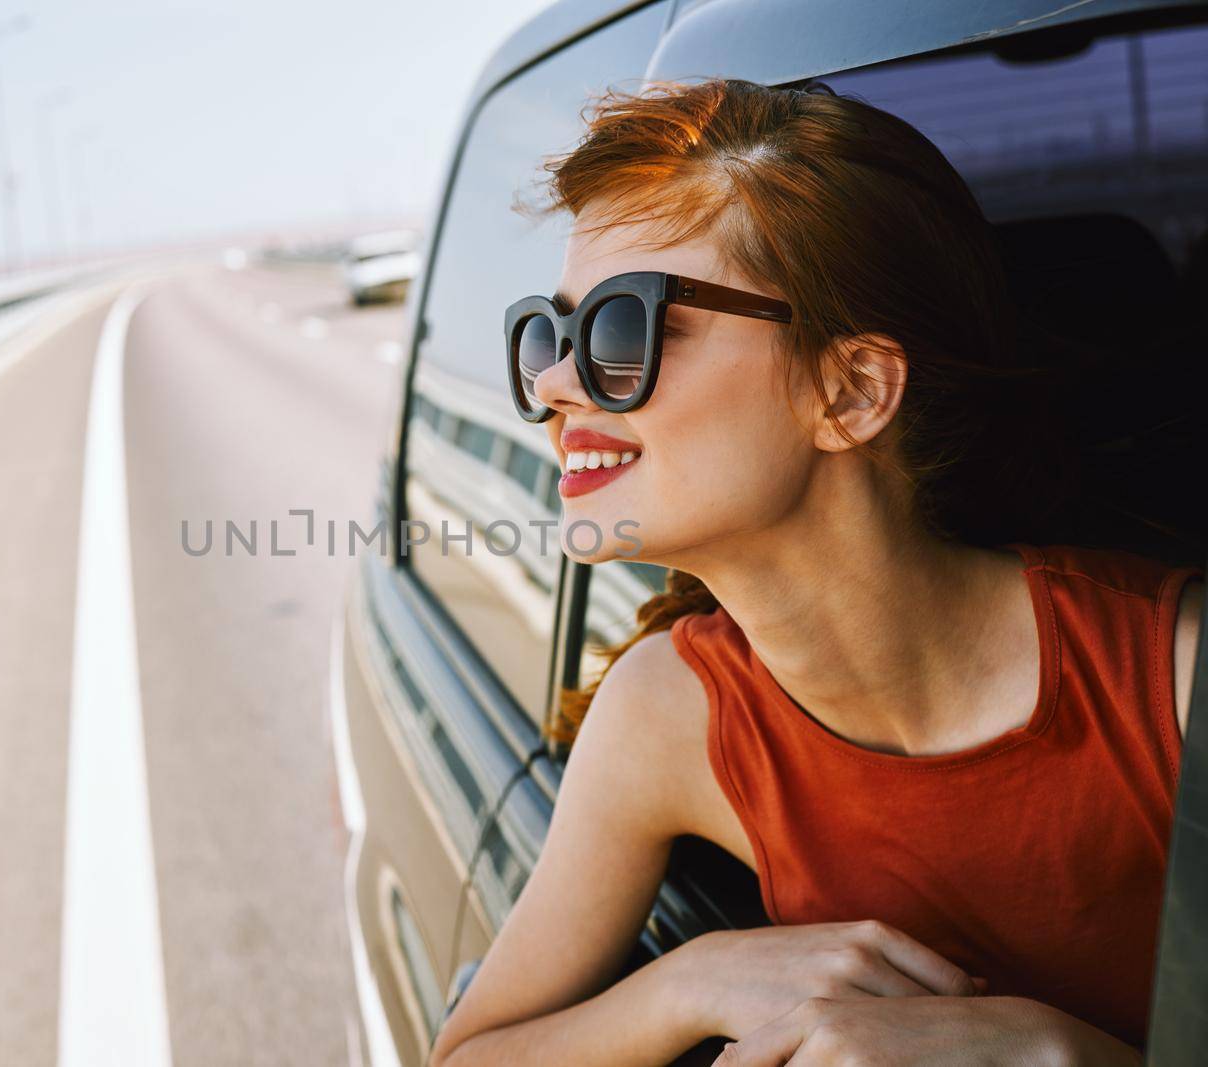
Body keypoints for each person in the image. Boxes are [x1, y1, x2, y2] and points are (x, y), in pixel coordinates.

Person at [429, 78, 1204, 1067]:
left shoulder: (1175, 684)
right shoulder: (671, 714)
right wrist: (694, 978)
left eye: (622, 327)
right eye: (549, 331)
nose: (549, 383)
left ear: (848, 391)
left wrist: (1059, 1050)